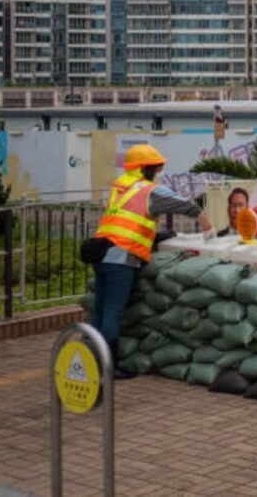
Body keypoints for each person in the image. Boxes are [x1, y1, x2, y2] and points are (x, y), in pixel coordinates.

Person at [89, 144, 211, 378]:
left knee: (100, 311)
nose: (158, 172)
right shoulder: (148, 191)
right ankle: (107, 367)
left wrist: (156, 236)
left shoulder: (120, 187)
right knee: (113, 313)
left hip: (101, 253)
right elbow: (186, 205)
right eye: (156, 168)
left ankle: (89, 358)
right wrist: (207, 224)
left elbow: (127, 221)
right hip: (121, 258)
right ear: (146, 169)